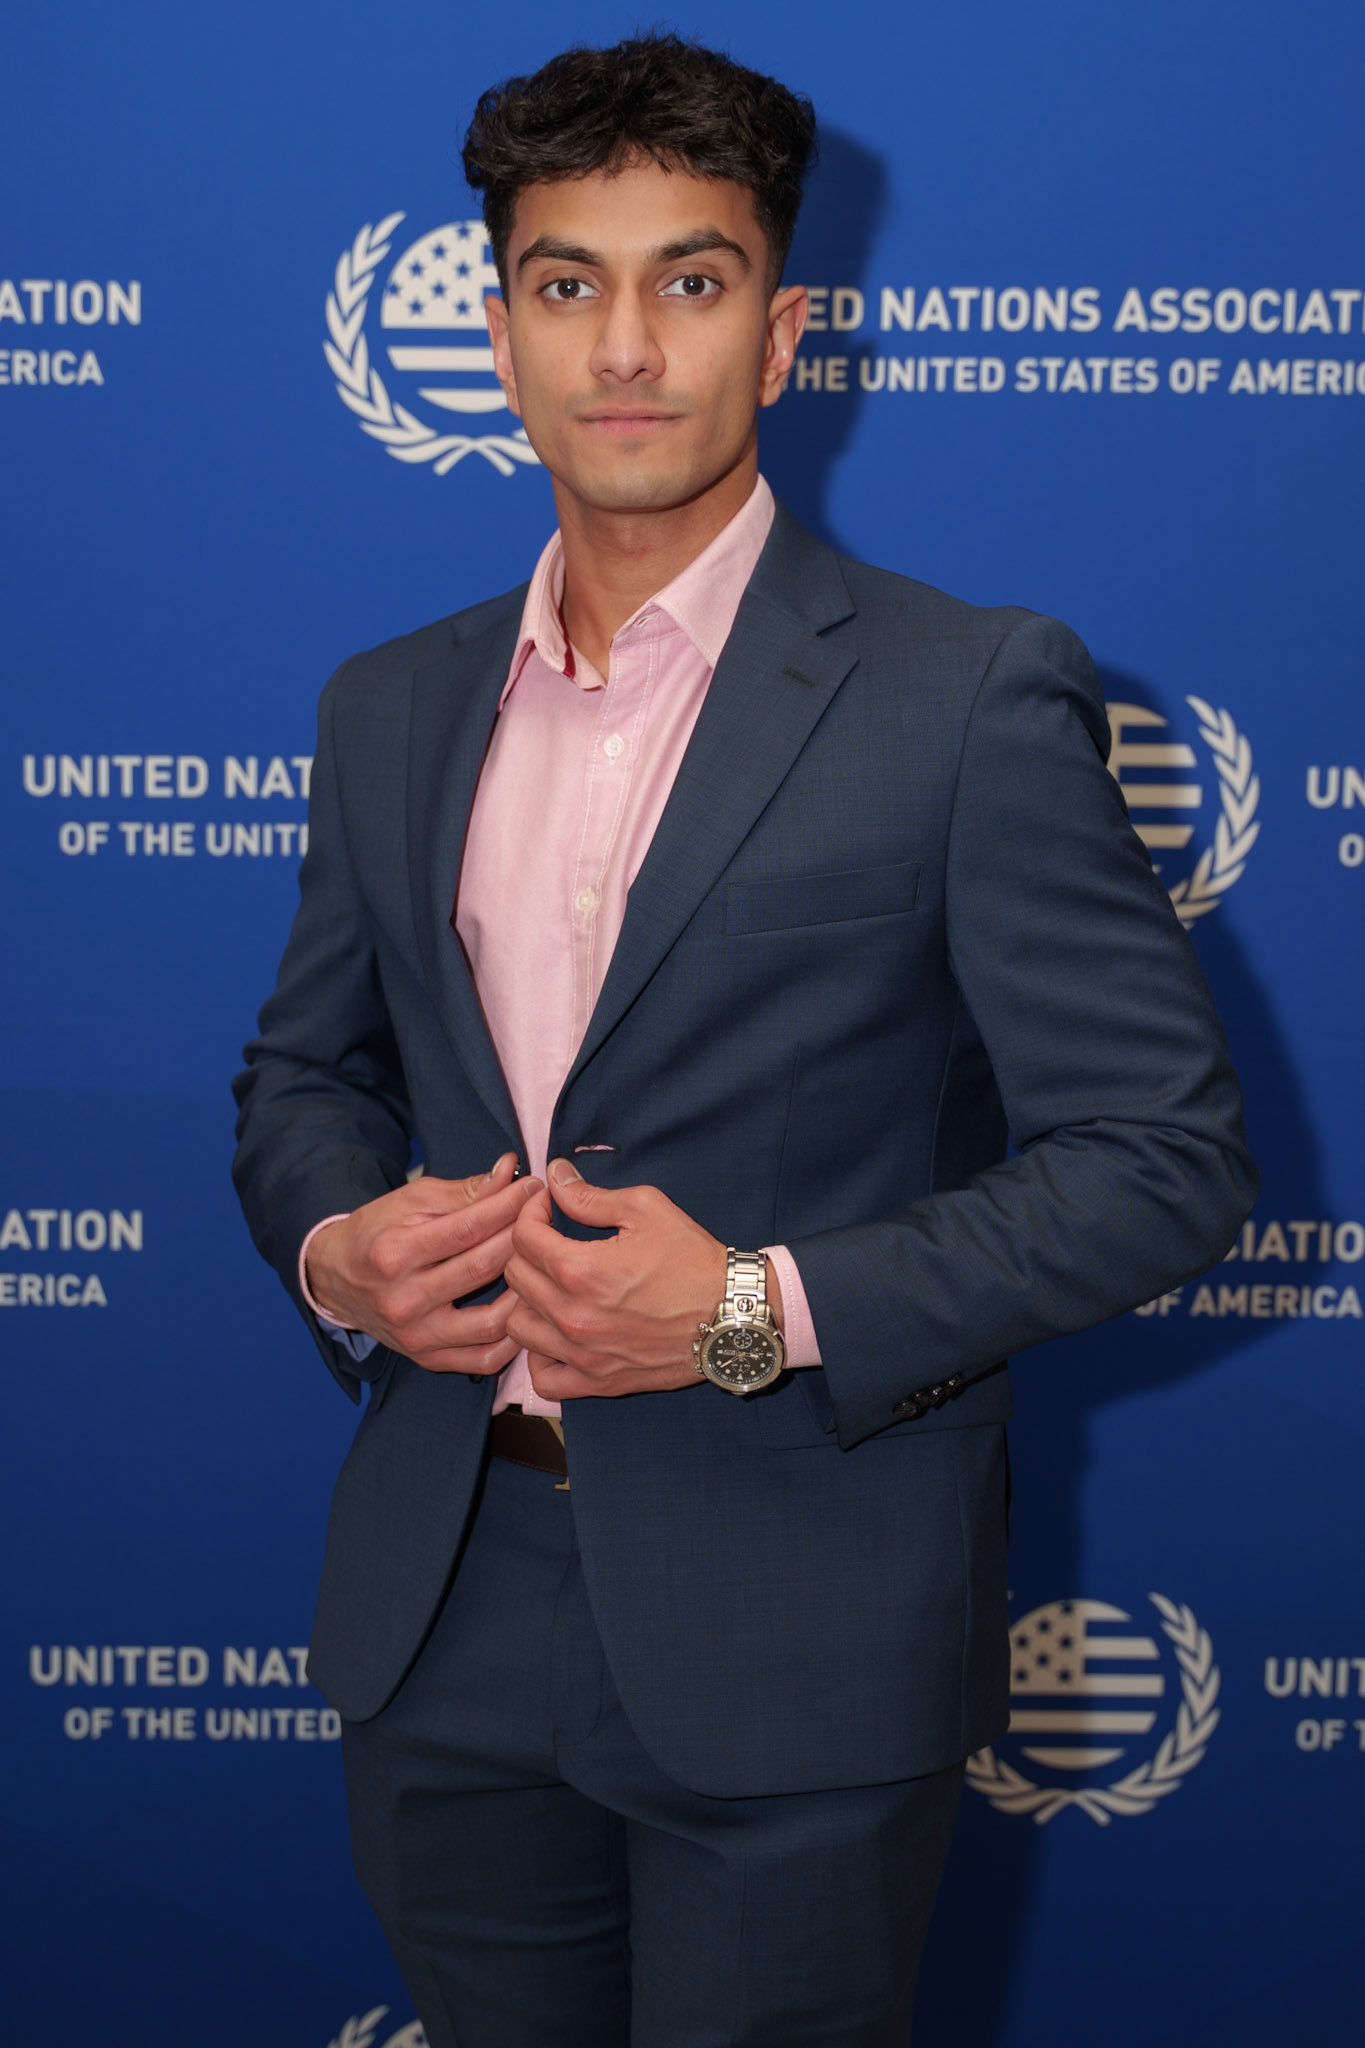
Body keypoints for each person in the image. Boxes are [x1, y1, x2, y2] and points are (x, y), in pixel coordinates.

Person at [232, 32, 1256, 2046]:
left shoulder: (969, 694)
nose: (623, 347)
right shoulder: (388, 706)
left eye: (687, 282)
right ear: (499, 334)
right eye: (564, 284)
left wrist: (741, 1312)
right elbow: (304, 1077)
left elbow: (1163, 1163)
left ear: (781, 335)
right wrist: (339, 1249)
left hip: (800, 1623)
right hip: (440, 1606)